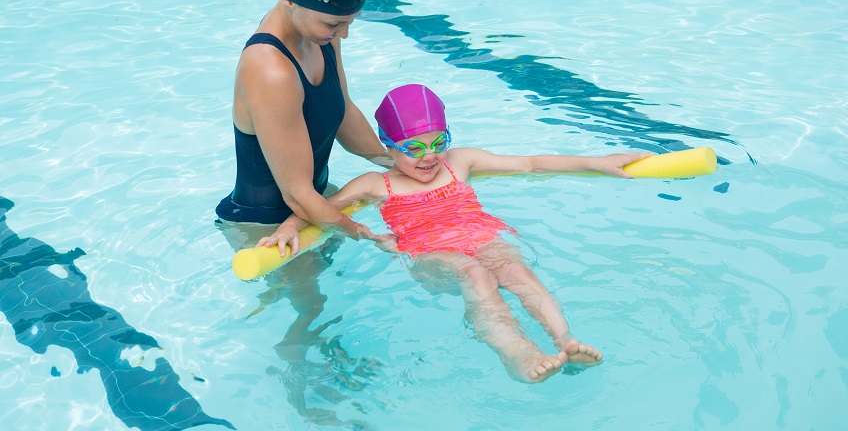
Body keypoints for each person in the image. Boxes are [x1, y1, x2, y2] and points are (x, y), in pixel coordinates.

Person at [269, 84, 651, 383]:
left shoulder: (460, 161)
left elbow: (530, 163)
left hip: (481, 236)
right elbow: (320, 205)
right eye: (414, 148)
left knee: (515, 271)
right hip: (432, 255)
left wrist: (596, 163)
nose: (429, 156)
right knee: (476, 274)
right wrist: (288, 226)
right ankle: (517, 354)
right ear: (388, 145)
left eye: (438, 142)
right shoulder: (376, 183)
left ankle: (565, 341)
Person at [215, 0, 391, 238]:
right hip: (269, 228)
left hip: (316, 203)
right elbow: (295, 194)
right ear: (292, 0)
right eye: (335, 23)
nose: (344, 33)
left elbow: (343, 113)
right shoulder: (270, 69)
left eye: (349, 22)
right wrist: (368, 237)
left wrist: (396, 162)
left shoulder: (321, 35)